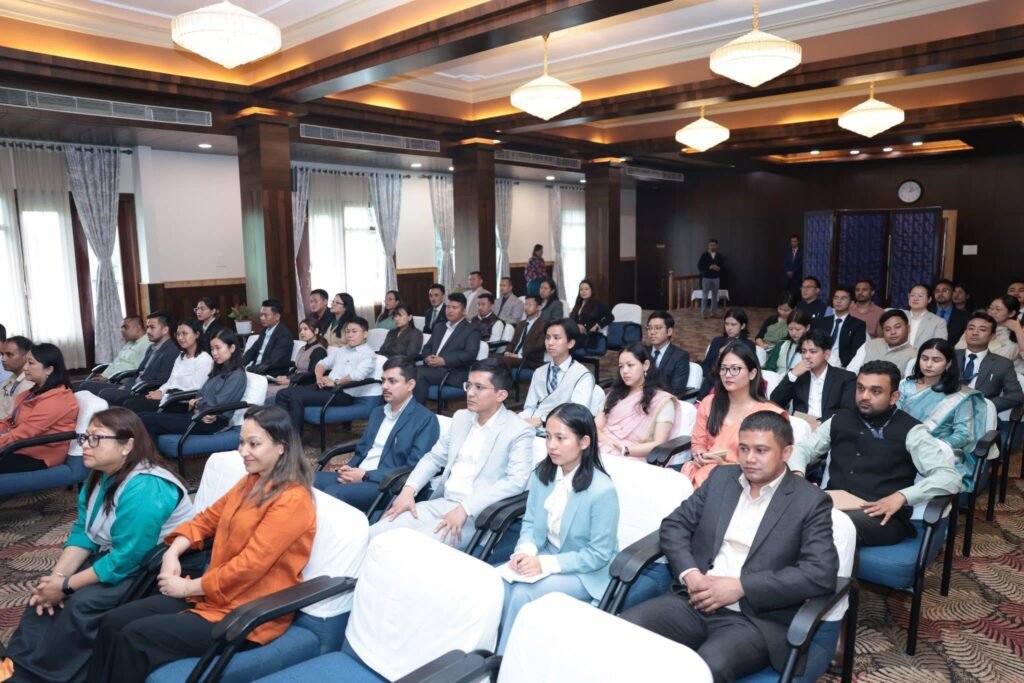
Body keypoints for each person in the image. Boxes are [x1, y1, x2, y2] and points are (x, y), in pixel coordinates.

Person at [88, 406, 316, 682]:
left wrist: (188, 587)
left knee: (133, 638)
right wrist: (172, 553)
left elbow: (249, 567)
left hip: (247, 613)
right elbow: (205, 520)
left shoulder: (293, 500)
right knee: (113, 621)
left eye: (254, 444)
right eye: (242, 442)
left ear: (281, 447)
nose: (243, 451)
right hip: (213, 596)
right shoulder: (250, 482)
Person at [621, 411, 838, 682]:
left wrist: (741, 587)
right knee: (626, 631)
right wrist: (691, 575)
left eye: (761, 450)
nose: (749, 458)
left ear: (786, 452)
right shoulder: (722, 479)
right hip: (693, 600)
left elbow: (820, 573)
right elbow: (675, 525)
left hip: (753, 620)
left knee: (705, 667)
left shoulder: (810, 501)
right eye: (744, 448)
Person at [5, 408, 193, 683]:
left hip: (153, 568)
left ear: (127, 445)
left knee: (80, 605)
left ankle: (47, 675)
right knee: (42, 593)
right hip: (116, 556)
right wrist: (57, 579)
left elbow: (127, 558)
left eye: (96, 438)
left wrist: (66, 586)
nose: (85, 445)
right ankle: (17, 665)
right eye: (85, 437)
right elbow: (84, 532)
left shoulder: (147, 486)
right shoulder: (99, 475)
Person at [789, 361, 961, 547]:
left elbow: (949, 478)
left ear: (894, 397)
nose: (865, 396)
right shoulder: (839, 420)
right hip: (832, 505)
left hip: (881, 515)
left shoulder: (912, 431)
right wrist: (797, 474)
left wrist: (902, 496)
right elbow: (803, 449)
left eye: (876, 391)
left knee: (829, 525)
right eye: (860, 388)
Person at [374, 359, 534, 550]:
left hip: (477, 515)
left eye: (479, 387)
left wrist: (465, 508)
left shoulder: (518, 430)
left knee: (406, 547)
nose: (470, 393)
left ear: (501, 395)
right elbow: (434, 458)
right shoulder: (461, 417)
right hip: (442, 502)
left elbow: (515, 482)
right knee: (375, 533)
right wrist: (408, 490)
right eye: (469, 385)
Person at [497, 403, 619, 654]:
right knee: (498, 583)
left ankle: (504, 661)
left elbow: (598, 555)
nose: (551, 445)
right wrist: (526, 551)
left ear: (584, 442)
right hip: (546, 552)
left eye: (561, 438)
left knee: (522, 593)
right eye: (548, 436)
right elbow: (530, 523)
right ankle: (488, 651)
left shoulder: (602, 490)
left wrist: (543, 564)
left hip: (588, 571)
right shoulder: (543, 474)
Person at [314, 359, 439, 512]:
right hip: (359, 473)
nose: (384, 386)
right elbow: (361, 450)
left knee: (333, 493)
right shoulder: (378, 412)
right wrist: (350, 467)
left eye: (392, 381)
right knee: (307, 480)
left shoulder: (425, 420)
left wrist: (366, 475)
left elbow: (415, 467)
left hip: (387, 485)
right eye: (383, 380)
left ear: (410, 385)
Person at [684, 342, 787, 489]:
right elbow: (698, 444)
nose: (727, 375)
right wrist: (700, 454)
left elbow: (771, 464)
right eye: (723, 369)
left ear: (752, 373)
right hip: (704, 474)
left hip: (747, 483)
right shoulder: (709, 403)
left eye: (735, 369)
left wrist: (724, 467)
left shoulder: (770, 415)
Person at [899, 339, 987, 491]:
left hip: (939, 450)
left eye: (936, 360)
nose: (928, 364)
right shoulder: (905, 386)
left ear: (948, 364)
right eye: (924, 358)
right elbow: (894, 419)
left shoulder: (959, 395)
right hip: (902, 444)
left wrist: (933, 446)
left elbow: (963, 435)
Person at [140, 329, 247, 441]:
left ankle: (151, 453)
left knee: (148, 421)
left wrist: (196, 403)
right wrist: (198, 405)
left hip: (212, 421)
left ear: (232, 348)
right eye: (212, 349)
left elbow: (218, 404)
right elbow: (201, 393)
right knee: (143, 416)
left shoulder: (237, 375)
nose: (214, 353)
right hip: (200, 414)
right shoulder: (219, 369)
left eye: (218, 348)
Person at [275, 317, 381, 431]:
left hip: (342, 393)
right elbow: (322, 364)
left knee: (296, 397)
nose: (350, 335)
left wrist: (336, 382)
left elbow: (358, 375)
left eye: (354, 331)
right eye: (347, 331)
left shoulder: (368, 354)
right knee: (282, 394)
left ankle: (294, 438)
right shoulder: (342, 350)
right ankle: (281, 433)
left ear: (365, 334)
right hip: (325, 387)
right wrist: (319, 378)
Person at [0, 343, 79, 474]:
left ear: (49, 370)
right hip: (17, 447)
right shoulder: (30, 393)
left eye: (31, 363)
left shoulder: (57, 400)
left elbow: (23, 434)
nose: (25, 367)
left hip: (38, 456)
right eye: (25, 362)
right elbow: (10, 420)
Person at [596, 342, 682, 462]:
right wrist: (609, 444)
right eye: (621, 366)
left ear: (645, 365)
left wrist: (625, 450)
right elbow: (595, 427)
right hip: (600, 445)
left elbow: (659, 443)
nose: (624, 371)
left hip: (632, 456)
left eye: (630, 365)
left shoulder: (662, 401)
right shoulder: (614, 394)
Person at [79, 312, 179, 405]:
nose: (148, 331)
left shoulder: (171, 351)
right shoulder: (152, 348)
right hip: (133, 385)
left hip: (144, 390)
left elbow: (161, 382)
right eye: (147, 327)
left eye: (152, 327)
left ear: (165, 330)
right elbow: (139, 372)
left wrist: (128, 387)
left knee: (105, 393)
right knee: (86, 385)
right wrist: (127, 385)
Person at [121, 320, 213, 414]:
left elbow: (195, 390)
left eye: (184, 333)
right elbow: (170, 382)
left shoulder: (204, 359)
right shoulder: (181, 356)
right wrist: (160, 391)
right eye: (178, 334)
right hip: (169, 398)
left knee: (132, 405)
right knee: (129, 401)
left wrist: (164, 395)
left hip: (182, 402)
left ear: (197, 334)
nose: (180, 338)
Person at [769, 329, 855, 423]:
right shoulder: (798, 375)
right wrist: (792, 375)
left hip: (829, 427)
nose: (806, 356)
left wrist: (818, 423)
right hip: (801, 426)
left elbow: (847, 411)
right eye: (803, 351)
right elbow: (775, 402)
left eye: (813, 351)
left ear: (827, 354)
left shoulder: (845, 378)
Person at [521, 319, 595, 427]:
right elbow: (529, 407)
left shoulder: (582, 375)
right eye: (547, 338)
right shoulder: (539, 372)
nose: (550, 343)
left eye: (556, 338)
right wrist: (520, 420)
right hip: (534, 426)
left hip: (563, 428)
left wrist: (543, 420)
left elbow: (577, 413)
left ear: (570, 343)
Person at [413, 293, 482, 405]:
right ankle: (411, 409)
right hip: (433, 369)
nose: (450, 310)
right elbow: (427, 347)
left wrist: (444, 360)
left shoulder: (471, 330)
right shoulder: (439, 326)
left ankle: (415, 411)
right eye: (448, 307)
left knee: (417, 373)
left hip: (453, 372)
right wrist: (427, 358)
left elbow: (470, 355)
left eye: (454, 308)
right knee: (406, 371)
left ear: (463, 311)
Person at [955, 312, 1023, 414]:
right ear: (965, 332)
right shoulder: (950, 357)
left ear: (992, 336)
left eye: (982, 329)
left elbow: (1016, 395)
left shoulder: (1002, 364)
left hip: (981, 416)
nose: (975, 333)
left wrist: (985, 405)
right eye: (971, 328)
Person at [265, 318, 328, 401]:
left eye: (305, 329)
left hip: (301, 384)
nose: (302, 332)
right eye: (301, 330)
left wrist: (290, 380)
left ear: (316, 331)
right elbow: (297, 368)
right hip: (294, 380)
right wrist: (286, 377)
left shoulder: (319, 351)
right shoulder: (303, 348)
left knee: (266, 392)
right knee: (264, 387)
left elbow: (312, 375)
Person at [700, 308, 756, 398]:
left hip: (733, 383)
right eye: (727, 324)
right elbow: (706, 364)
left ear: (742, 326)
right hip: (711, 380)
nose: (729, 328)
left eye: (733, 324)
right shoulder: (716, 341)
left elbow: (747, 369)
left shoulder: (748, 345)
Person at [846, 309, 917, 375]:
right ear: (883, 332)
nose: (893, 332)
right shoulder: (869, 344)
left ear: (908, 328)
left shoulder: (913, 356)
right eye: (887, 329)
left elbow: (906, 383)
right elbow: (851, 370)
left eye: (897, 327)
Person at [813, 285, 866, 368]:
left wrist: (841, 365)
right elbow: (815, 343)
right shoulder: (822, 321)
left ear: (851, 303)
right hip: (820, 362)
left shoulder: (857, 325)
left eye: (843, 298)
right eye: (836, 298)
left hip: (842, 366)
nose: (838, 301)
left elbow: (856, 351)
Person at [242, 299, 294, 375]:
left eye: (266, 315)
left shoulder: (284, 335)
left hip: (270, 373)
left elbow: (273, 362)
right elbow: (252, 351)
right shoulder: (264, 331)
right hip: (257, 370)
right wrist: (240, 365)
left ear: (277, 316)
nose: (262, 318)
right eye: (261, 315)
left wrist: (248, 369)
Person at [647, 311, 691, 397]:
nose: (652, 332)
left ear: (669, 331)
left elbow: (676, 390)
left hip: (664, 401)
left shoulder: (680, 357)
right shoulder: (643, 351)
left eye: (658, 328)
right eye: (649, 328)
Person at [500, 294, 546, 371]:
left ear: (539, 307)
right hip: (513, 356)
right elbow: (513, 342)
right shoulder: (521, 324)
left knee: (505, 361)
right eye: (525, 304)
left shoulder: (543, 325)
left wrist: (519, 355)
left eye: (530, 305)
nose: (526, 307)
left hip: (529, 360)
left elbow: (539, 347)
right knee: (492, 357)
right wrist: (507, 352)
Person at [569, 278, 614, 353]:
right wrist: (576, 325)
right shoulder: (578, 304)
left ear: (592, 290)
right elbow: (571, 319)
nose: (583, 291)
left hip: (589, 337)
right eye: (581, 289)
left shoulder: (598, 304)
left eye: (586, 289)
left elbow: (610, 317)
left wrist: (597, 325)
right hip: (576, 334)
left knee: (566, 344)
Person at [764, 309, 812, 375]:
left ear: (807, 328)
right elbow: (769, 368)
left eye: (798, 329)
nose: (793, 333)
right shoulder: (781, 345)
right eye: (790, 329)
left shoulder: (812, 348)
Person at [0, 335, 33, 420]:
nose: (3, 359)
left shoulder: (29, 383)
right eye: (2, 354)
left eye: (9, 354)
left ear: (26, 356)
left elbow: (12, 419)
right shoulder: (11, 379)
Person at [932, 279, 969, 345]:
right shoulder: (927, 312)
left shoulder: (964, 317)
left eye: (944, 291)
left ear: (952, 293)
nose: (940, 293)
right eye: (937, 291)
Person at [697, 239, 724, 317]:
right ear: (708, 246)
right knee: (705, 295)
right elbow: (700, 266)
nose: (712, 246)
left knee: (715, 296)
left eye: (714, 245)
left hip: (716, 278)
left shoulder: (719, 255)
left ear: (717, 246)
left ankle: (713, 313)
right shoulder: (704, 255)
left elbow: (722, 266)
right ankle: (703, 312)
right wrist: (709, 267)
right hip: (706, 278)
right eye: (711, 245)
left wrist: (718, 268)